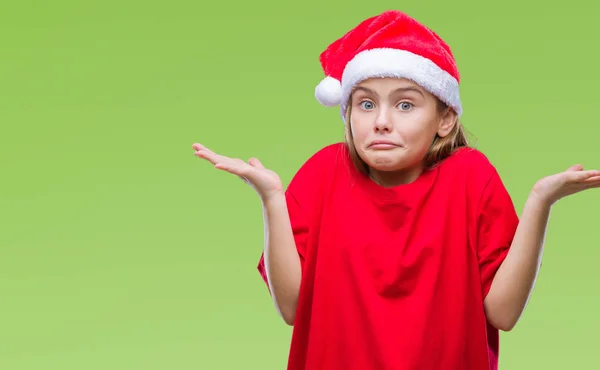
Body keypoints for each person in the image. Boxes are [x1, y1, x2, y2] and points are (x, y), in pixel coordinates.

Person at [192, 10, 599, 370]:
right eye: (366, 105)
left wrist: (540, 202)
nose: (381, 121)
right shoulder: (324, 172)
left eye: (405, 105)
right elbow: (293, 308)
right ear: (347, 113)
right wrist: (271, 200)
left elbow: (503, 313)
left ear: (445, 118)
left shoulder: (470, 176)